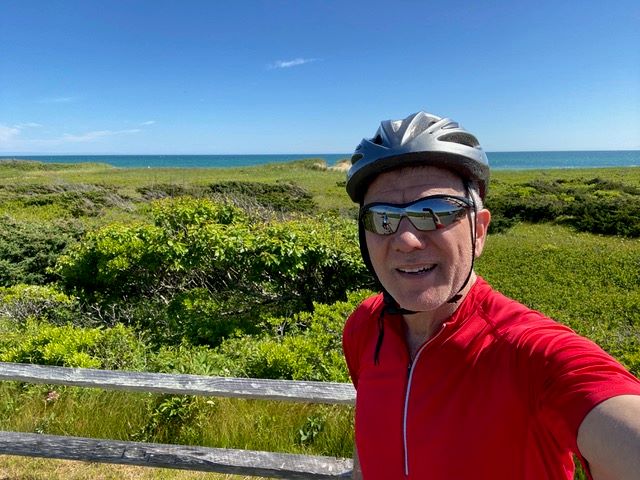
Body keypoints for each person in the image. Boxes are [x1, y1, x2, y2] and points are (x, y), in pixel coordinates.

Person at [342, 111, 640, 479]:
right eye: (382, 219)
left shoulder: (529, 354)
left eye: (434, 211)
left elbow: (610, 409)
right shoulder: (364, 328)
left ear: (479, 231)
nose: (405, 240)